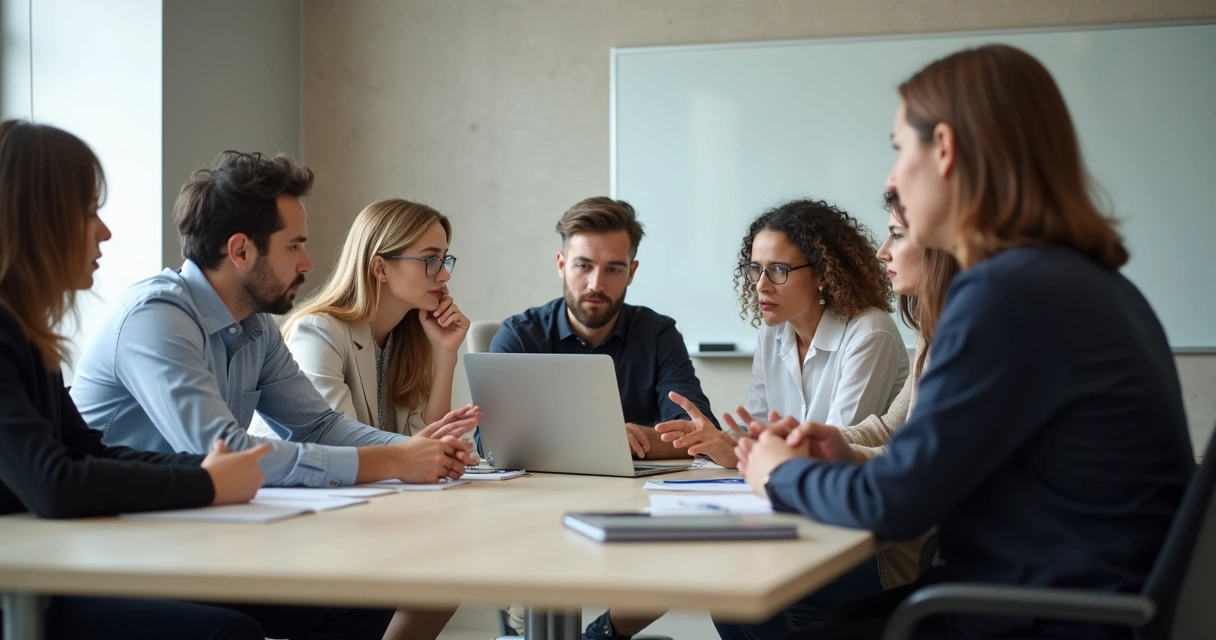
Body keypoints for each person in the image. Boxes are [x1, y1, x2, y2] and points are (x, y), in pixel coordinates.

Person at [736, 44, 1195, 640]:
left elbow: (897, 504)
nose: (892, 177)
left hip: (1044, 616)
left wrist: (777, 474)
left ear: (945, 150)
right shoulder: (1076, 282)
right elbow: (932, 467)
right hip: (1071, 601)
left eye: (900, 149)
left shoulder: (1007, 296)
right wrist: (841, 455)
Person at [0, 119, 393, 639]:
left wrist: (209, 477)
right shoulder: (152, 315)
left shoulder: (28, 334)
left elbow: (84, 450)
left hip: (97, 549)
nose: (105, 231)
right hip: (65, 571)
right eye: (88, 212)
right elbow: (55, 482)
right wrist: (206, 479)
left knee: (364, 599)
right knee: (228, 633)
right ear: (37, 223)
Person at [70, 151, 477, 489]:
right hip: (109, 536)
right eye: (294, 246)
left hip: (185, 521)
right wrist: (393, 460)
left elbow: (317, 425)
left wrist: (415, 450)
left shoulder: (256, 325)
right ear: (241, 251)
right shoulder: (155, 317)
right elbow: (221, 451)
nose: (307, 263)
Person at [711, 192, 960, 640]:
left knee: (735, 584)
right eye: (755, 269)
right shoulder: (935, 328)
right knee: (729, 588)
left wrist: (792, 465)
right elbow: (889, 428)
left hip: (896, 551)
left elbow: (918, 461)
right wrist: (804, 441)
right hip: (865, 522)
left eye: (897, 235)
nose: (761, 284)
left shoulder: (910, 333)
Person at [489, 196, 718, 640]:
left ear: (632, 272)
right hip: (535, 510)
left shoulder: (658, 333)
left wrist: (638, 436)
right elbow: (491, 444)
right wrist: (599, 437)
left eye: (614, 268)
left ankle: (601, 635)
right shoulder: (519, 335)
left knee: (687, 557)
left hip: (633, 507)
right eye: (583, 265)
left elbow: (700, 433)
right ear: (561, 264)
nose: (596, 282)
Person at [254, 198, 473, 640]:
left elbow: (422, 443)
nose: (445, 275)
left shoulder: (408, 338)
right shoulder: (318, 331)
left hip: (367, 515)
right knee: (435, 572)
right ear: (380, 267)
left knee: (449, 576)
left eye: (444, 260)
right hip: (302, 520)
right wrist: (419, 454)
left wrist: (445, 355)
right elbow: (335, 444)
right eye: (430, 261)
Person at [656, 198, 909, 471]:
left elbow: (834, 447)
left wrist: (746, 451)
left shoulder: (870, 332)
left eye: (779, 270)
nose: (761, 286)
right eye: (756, 269)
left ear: (823, 274)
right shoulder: (773, 332)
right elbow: (758, 426)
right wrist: (722, 441)